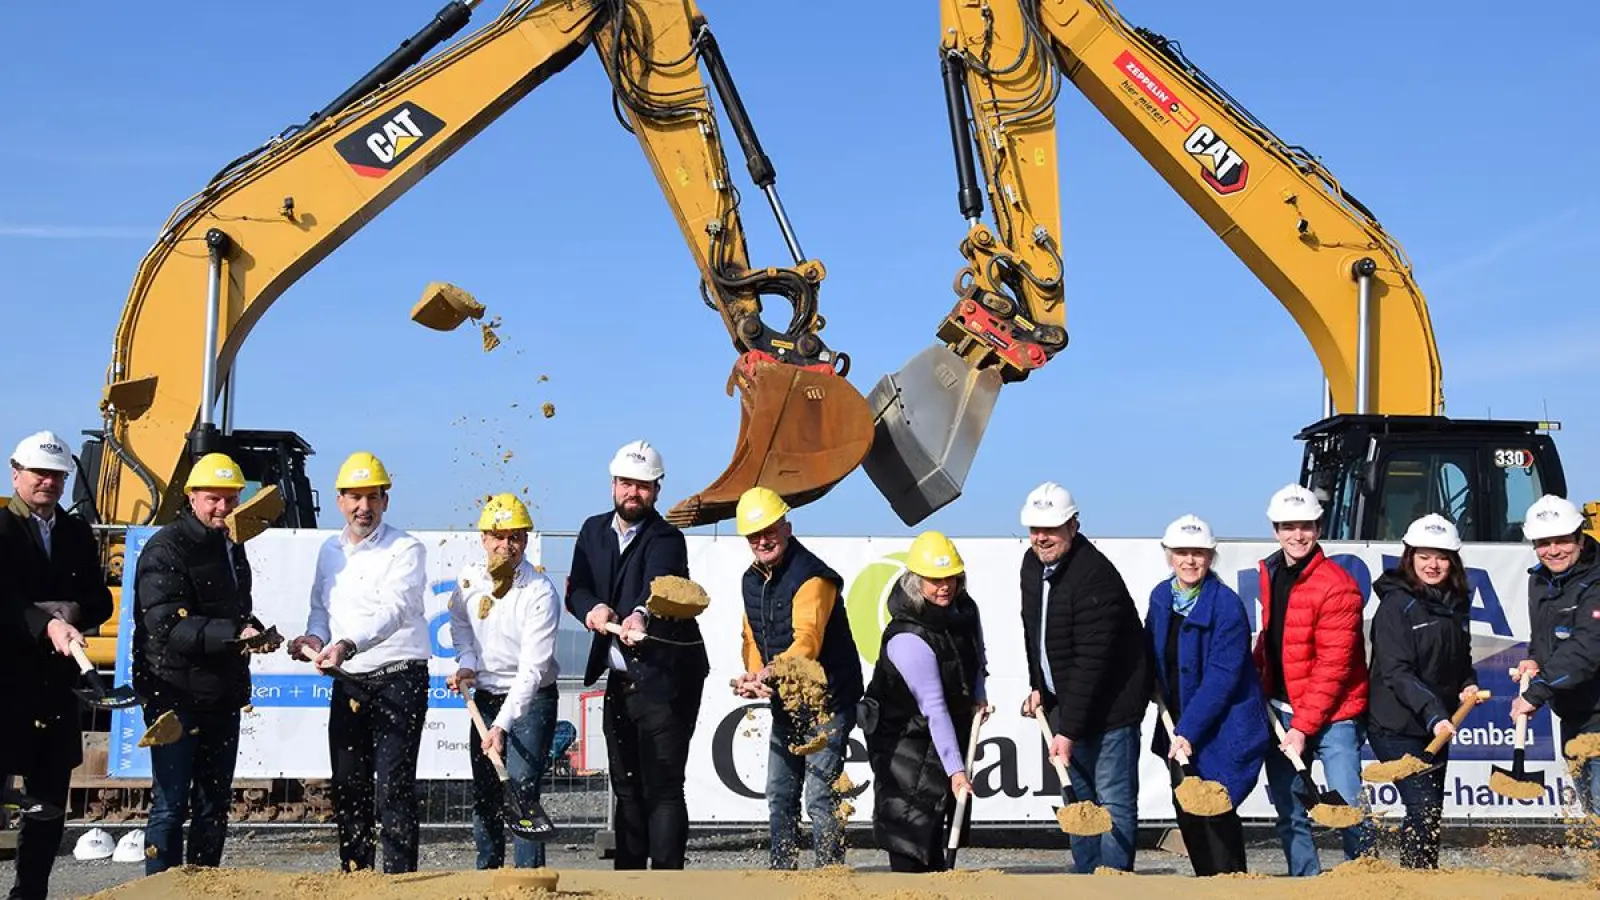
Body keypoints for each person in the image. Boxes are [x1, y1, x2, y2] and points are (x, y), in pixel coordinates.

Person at [132, 452, 278, 874]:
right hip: (172, 697)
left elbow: (237, 610)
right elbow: (168, 626)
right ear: (192, 496)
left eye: (231, 500)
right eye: (214, 498)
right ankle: (160, 889)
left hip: (221, 695)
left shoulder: (233, 546)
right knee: (170, 805)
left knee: (214, 806)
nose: (223, 509)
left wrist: (255, 632)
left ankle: (203, 885)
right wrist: (236, 635)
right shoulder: (166, 548)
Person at [565, 440, 708, 870]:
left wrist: (641, 616)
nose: (634, 493)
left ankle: (665, 884)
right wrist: (593, 608)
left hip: (667, 678)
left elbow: (660, 586)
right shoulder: (592, 531)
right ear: (613, 484)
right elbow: (578, 587)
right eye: (627, 483)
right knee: (626, 786)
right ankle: (627, 883)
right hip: (621, 679)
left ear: (657, 490)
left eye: (644, 486)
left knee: (663, 786)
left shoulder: (667, 538)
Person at [287, 451, 430, 874]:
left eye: (372, 497)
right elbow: (320, 608)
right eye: (354, 497)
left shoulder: (406, 549)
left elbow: (395, 609)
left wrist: (347, 643)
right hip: (348, 679)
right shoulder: (329, 551)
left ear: (385, 500)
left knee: (393, 787)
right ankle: (355, 878)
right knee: (349, 786)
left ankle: (400, 880)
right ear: (339, 501)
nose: (362, 507)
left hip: (399, 676)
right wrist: (314, 638)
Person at [0, 431, 114, 900]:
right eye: (39, 473)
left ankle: (31, 893)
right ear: (16, 473)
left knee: (48, 805)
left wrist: (73, 611)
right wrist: (43, 623)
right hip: (6, 687)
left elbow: (100, 597)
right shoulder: (2, 530)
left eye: (56, 475)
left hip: (56, 691)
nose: (48, 482)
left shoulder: (76, 532)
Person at [1017, 481, 1151, 874]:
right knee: (1079, 803)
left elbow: (1093, 663)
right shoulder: (1032, 564)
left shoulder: (1096, 577)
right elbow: (1035, 630)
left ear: (1073, 526)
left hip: (1111, 708)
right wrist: (1039, 686)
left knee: (1111, 802)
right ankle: (1085, 883)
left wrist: (1067, 731)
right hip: (1067, 705)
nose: (1041, 537)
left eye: (1051, 529)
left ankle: (1112, 884)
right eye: (1035, 529)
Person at [729, 486, 862, 870]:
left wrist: (772, 672)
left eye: (770, 530)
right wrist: (755, 674)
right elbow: (752, 635)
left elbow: (808, 641)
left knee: (820, 795)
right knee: (779, 791)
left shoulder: (813, 578)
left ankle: (829, 875)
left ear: (787, 526)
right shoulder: (751, 580)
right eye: (754, 535)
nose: (762, 540)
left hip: (829, 702)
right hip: (788, 700)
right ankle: (782, 873)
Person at [1254, 483, 1374, 875]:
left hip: (1333, 716)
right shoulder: (1271, 571)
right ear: (1276, 530)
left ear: (1319, 528)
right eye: (1288, 526)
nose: (1297, 535)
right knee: (1290, 810)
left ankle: (1366, 881)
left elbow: (1333, 667)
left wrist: (1303, 727)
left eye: (1305, 526)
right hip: (1282, 712)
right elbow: (1276, 638)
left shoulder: (1338, 586)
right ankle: (1305, 882)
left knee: (1348, 807)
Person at [1144, 514, 1269, 876]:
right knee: (1186, 808)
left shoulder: (1226, 606)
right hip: (1177, 723)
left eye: (1198, 553)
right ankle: (1205, 886)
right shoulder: (1160, 597)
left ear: (1211, 557)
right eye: (1181, 552)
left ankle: (1231, 885)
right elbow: (1151, 650)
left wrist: (1188, 733)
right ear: (1169, 555)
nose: (1190, 560)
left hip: (1221, 728)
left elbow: (1221, 678)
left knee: (1216, 811)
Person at [861, 531, 989, 873]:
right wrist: (957, 771)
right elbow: (934, 708)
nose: (944, 586)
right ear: (916, 581)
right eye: (934, 580)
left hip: (941, 738)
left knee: (939, 834)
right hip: (904, 744)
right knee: (910, 838)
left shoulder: (965, 608)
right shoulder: (908, 638)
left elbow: (977, 653)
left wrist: (978, 693)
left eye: (951, 578)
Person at [446, 493, 562, 870]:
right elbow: (460, 626)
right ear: (483, 538)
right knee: (485, 792)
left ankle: (529, 883)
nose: (505, 545)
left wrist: (500, 725)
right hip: (483, 697)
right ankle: (487, 877)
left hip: (531, 700)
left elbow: (532, 669)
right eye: (497, 536)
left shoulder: (540, 591)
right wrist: (466, 664)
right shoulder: (467, 582)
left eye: (514, 537)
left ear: (525, 541)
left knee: (522, 788)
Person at [1368, 513, 1479, 869]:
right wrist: (1434, 715)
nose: (1433, 565)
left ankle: (1423, 875)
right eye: (1424, 556)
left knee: (1431, 810)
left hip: (1438, 723)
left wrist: (1467, 682)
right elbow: (1397, 672)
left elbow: (1460, 656)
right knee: (1422, 805)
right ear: (1409, 557)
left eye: (1442, 557)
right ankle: (1414, 880)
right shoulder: (1395, 605)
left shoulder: (1456, 602)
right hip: (1396, 725)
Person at [1513, 495, 1600, 813]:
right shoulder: (1540, 580)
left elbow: (1588, 649)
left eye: (1562, 541)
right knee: (1591, 811)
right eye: (1543, 543)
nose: (1553, 550)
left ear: (1580, 537)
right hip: (1575, 712)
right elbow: (1542, 637)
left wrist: (1536, 693)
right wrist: (1534, 658)